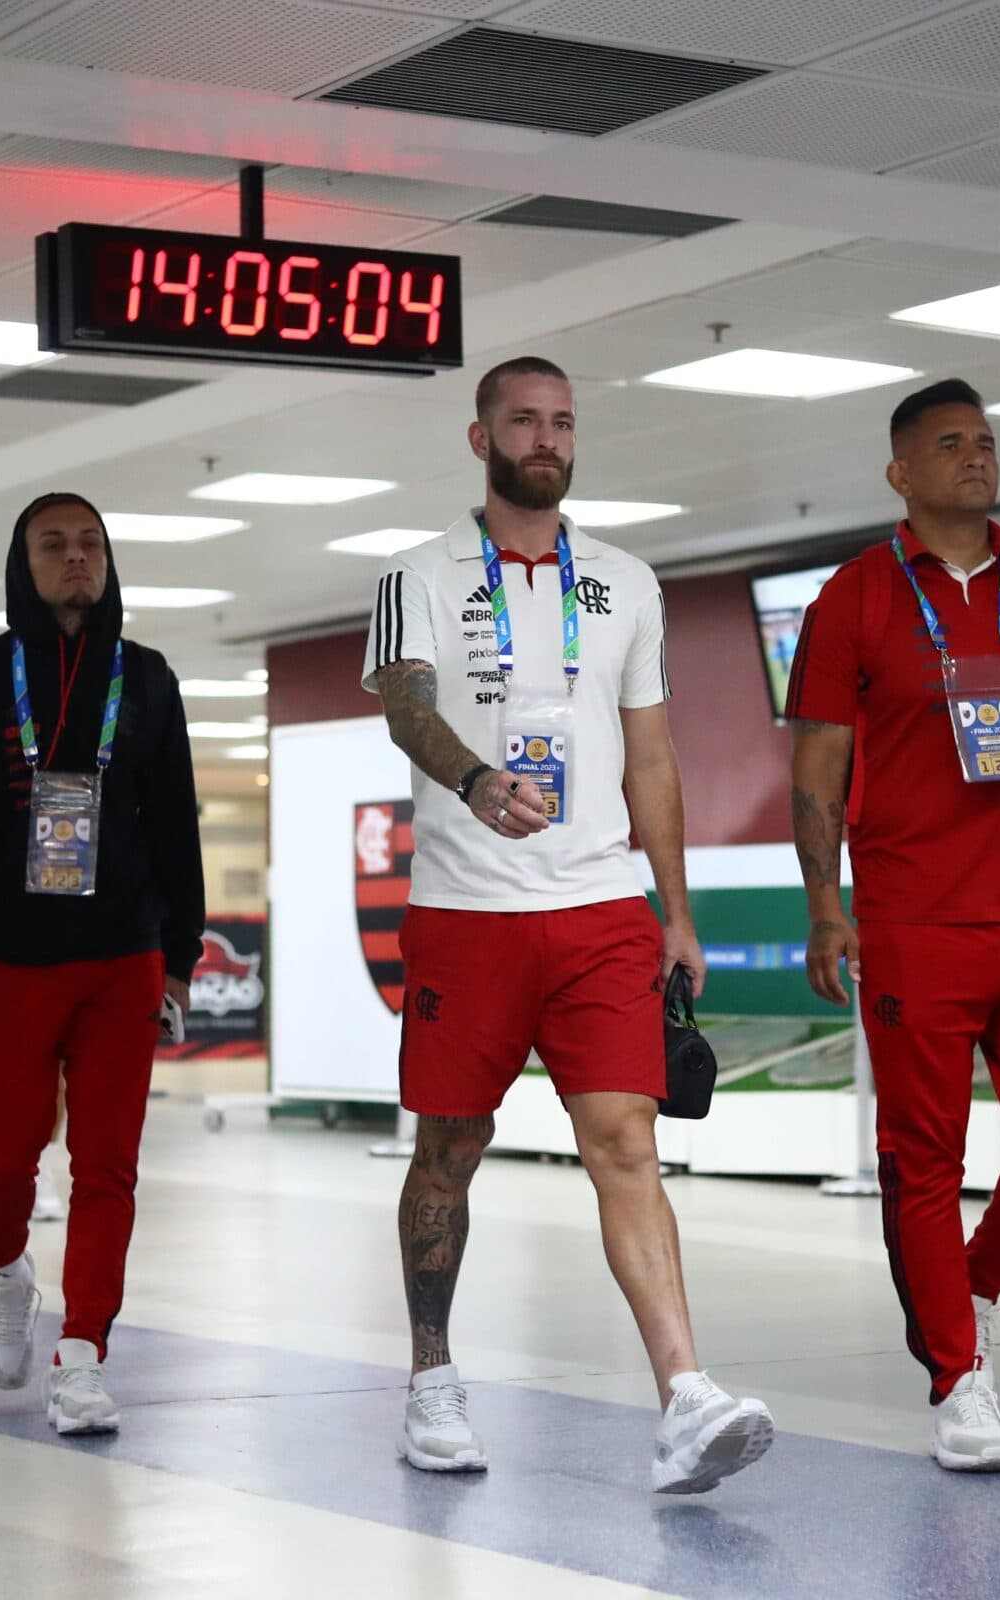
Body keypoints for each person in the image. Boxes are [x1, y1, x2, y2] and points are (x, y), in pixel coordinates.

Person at [363, 355, 774, 1496]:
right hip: (469, 911)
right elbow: (406, 703)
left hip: (600, 909)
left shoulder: (627, 581)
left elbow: (650, 753)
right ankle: (432, 1379)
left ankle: (687, 1397)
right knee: (452, 1144)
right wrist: (476, 779)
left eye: (561, 423)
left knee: (628, 1143)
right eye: (522, 421)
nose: (544, 438)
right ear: (480, 436)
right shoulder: (420, 574)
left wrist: (676, 910)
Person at [785, 377, 1000, 1472]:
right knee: (921, 1152)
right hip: (915, 918)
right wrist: (825, 905)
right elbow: (819, 766)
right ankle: (958, 1375)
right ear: (901, 472)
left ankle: (976, 1282)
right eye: (949, 444)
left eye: (985, 441)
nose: (975, 457)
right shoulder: (853, 597)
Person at [0, 492, 205, 1437]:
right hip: (4, 961)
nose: (76, 559)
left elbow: (177, 828)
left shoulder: (149, 681)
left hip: (122, 957)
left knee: (108, 1163)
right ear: (22, 563)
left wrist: (180, 956)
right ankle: (4, 1270)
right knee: (2, 1164)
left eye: (90, 544)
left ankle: (82, 1355)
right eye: (54, 545)